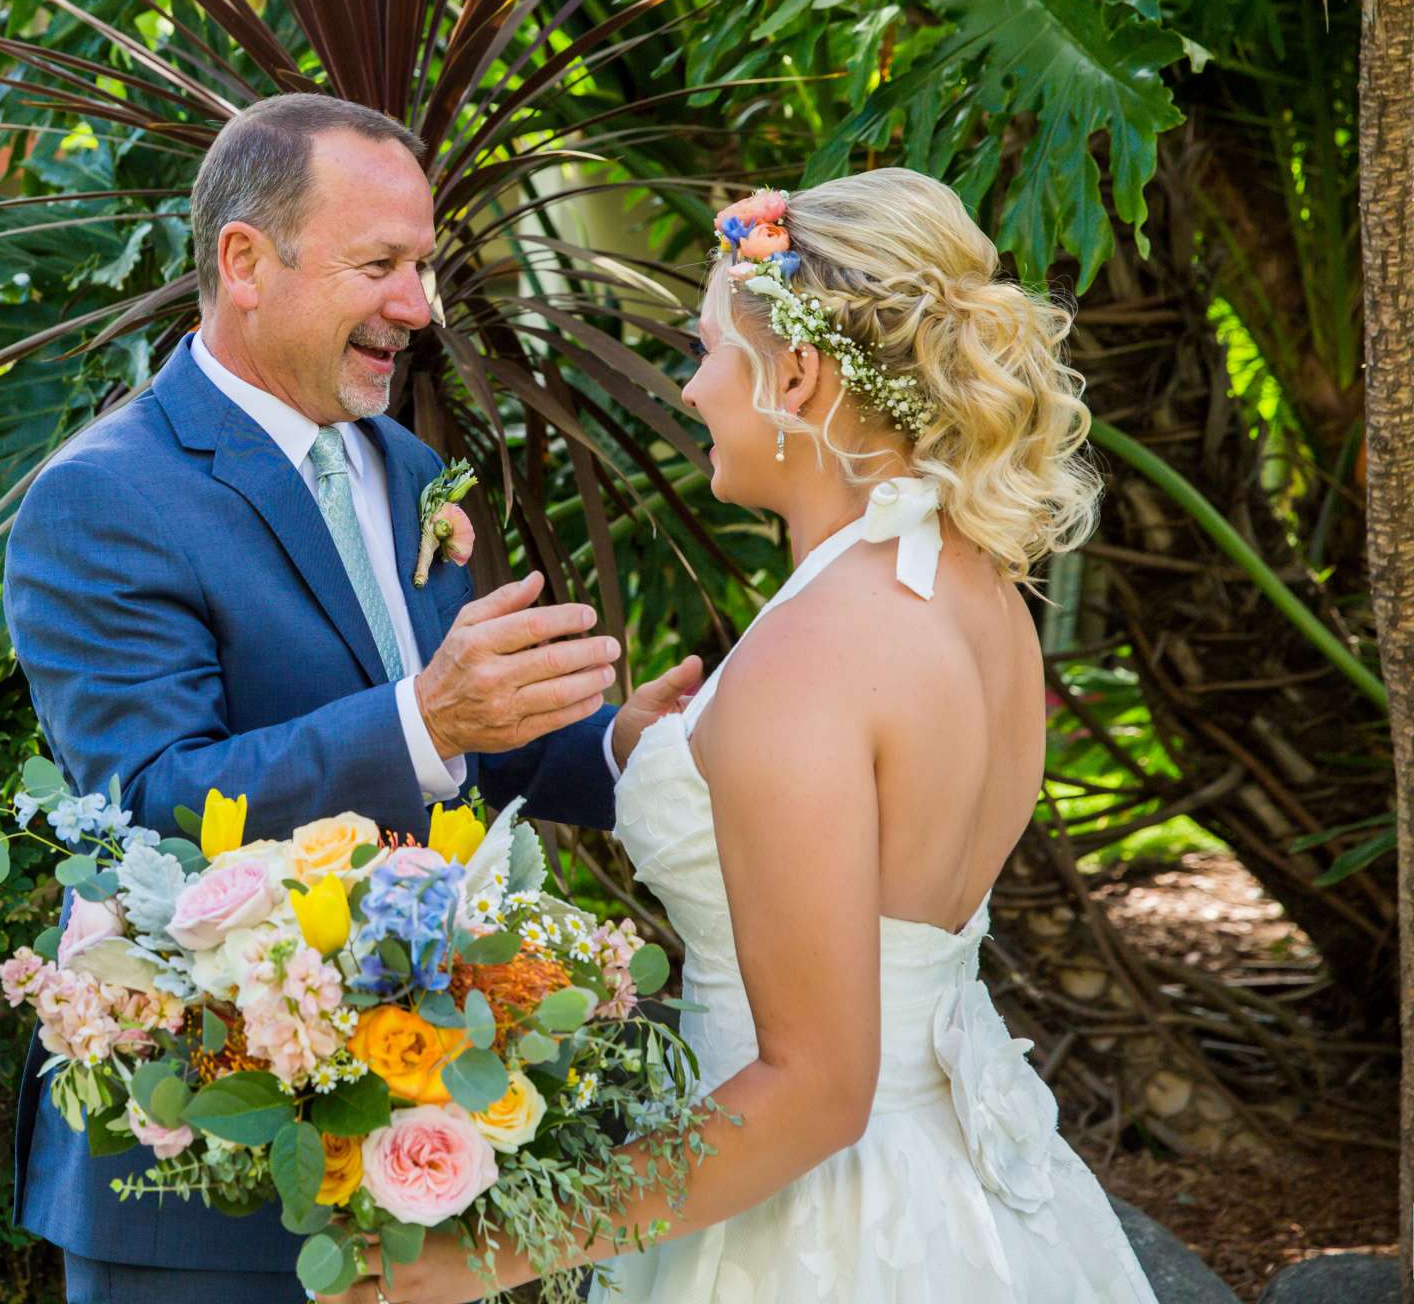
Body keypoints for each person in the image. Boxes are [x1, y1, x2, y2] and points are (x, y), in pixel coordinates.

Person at [361, 169, 1157, 1304]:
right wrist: (650, 753)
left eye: (708, 353)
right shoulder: (977, 594)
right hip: (964, 1198)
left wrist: (476, 1254)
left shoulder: (815, 651)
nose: (689, 390)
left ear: (797, 375)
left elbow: (817, 1088)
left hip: (808, 1228)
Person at [2, 92, 648, 1304]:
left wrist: (628, 746)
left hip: (430, 1133)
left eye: (426, 265)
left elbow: (472, 745)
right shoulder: (104, 498)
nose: (420, 306)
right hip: (204, 1162)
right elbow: (150, 802)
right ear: (246, 262)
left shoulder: (407, 468)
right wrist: (428, 718)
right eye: (382, 265)